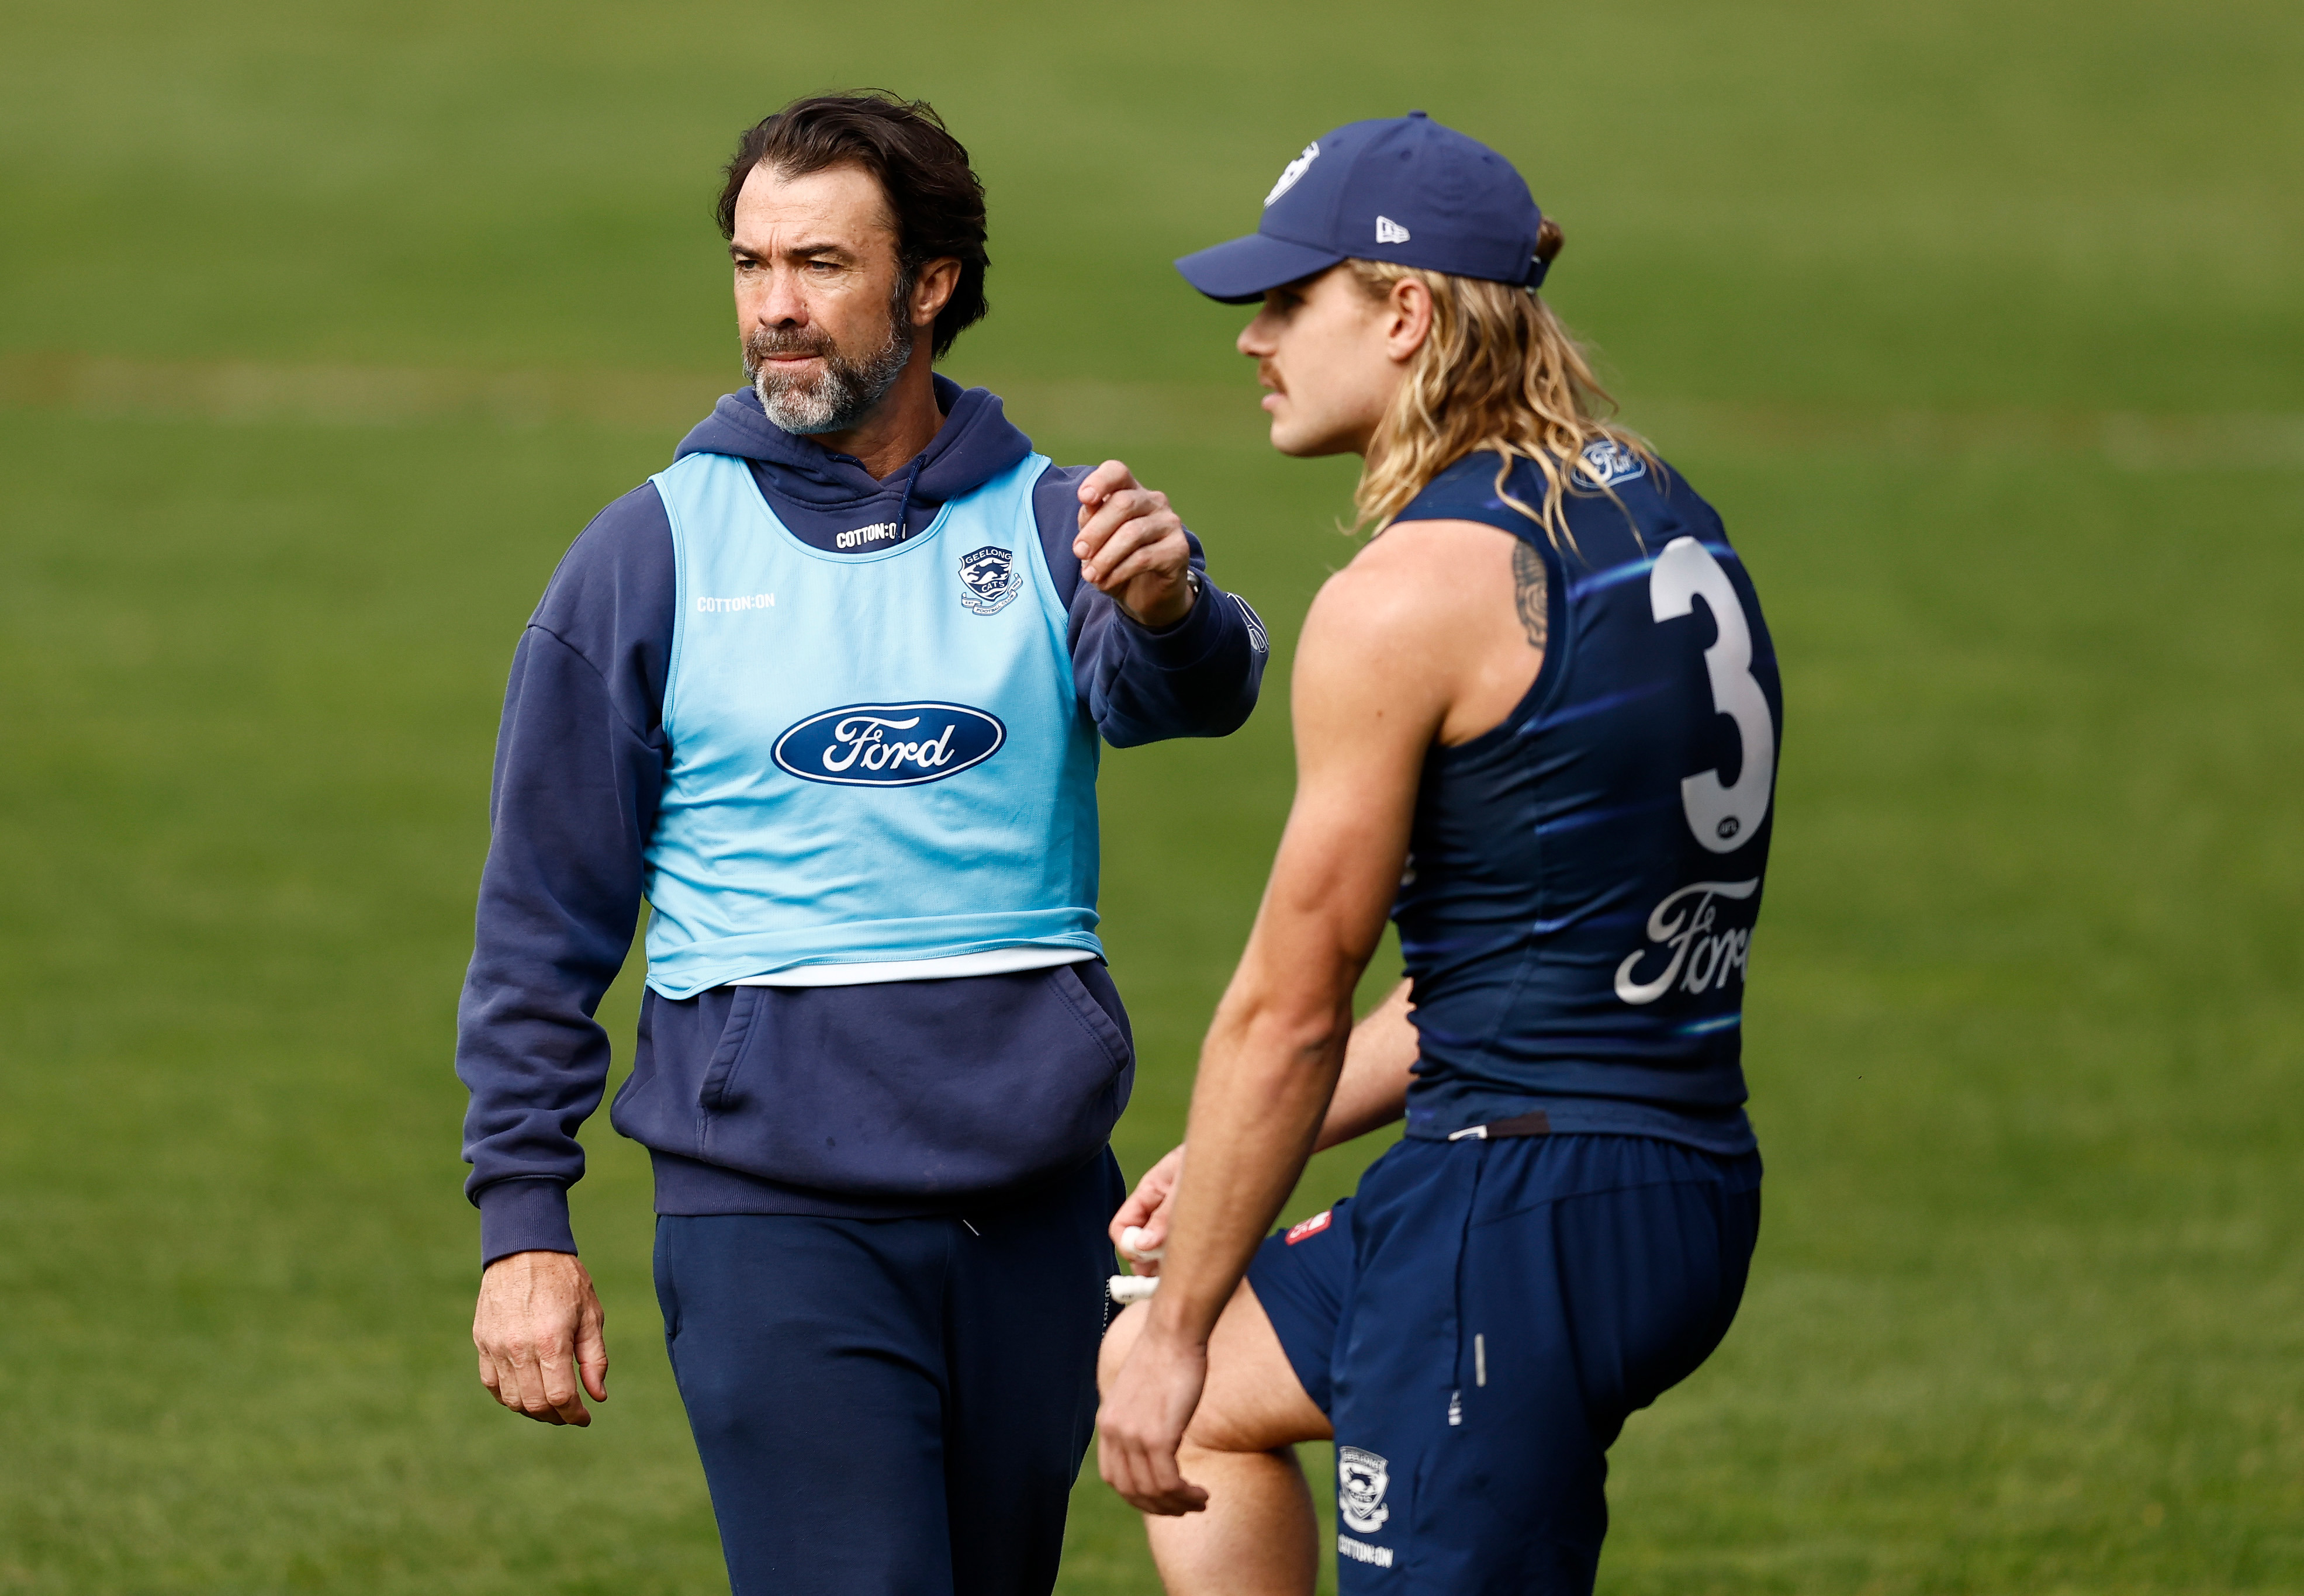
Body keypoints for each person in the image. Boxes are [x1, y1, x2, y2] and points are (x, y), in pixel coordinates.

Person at [455, 92, 1268, 1596]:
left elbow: (1188, 695)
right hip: (773, 1219)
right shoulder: (650, 555)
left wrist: (1172, 607)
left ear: (931, 284)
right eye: (752, 263)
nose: (774, 306)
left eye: (821, 264)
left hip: (1037, 1211)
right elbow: (539, 925)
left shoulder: (1055, 524)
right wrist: (524, 1223)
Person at [1094, 112, 1779, 1594]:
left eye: (1290, 301)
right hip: (1677, 1180)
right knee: (1203, 1403)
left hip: (1515, 1216)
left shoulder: (1410, 594)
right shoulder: (1660, 515)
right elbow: (1521, 957)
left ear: (1404, 311)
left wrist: (1178, 1323)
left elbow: (1289, 1009)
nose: (1253, 339)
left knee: (1166, 1368)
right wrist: (1231, 1171)